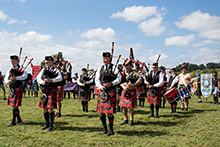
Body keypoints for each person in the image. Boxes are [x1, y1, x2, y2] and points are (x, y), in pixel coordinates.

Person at [95, 52, 121, 136]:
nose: (104, 60)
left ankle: (111, 129)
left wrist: (112, 83)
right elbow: (97, 79)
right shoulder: (100, 68)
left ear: (110, 58)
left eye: (106, 58)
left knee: (109, 112)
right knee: (101, 112)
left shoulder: (115, 68)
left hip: (110, 91)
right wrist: (100, 86)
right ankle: (105, 129)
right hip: (102, 92)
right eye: (103, 58)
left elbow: (119, 78)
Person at [37, 56, 62, 132]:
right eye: (45, 62)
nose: (46, 64)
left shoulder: (56, 70)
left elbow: (60, 78)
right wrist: (42, 82)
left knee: (50, 108)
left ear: (51, 62)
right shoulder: (43, 70)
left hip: (51, 90)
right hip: (45, 90)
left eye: (47, 62)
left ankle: (51, 125)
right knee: (44, 107)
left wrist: (51, 80)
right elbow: (38, 78)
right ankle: (47, 123)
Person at [4, 55, 28, 126]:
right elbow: (6, 77)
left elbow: (24, 76)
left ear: (18, 61)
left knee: (14, 105)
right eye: (11, 61)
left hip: (17, 87)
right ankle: (19, 119)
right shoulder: (10, 69)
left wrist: (16, 78)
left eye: (14, 61)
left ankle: (13, 121)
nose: (13, 62)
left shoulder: (22, 69)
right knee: (14, 105)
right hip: (12, 88)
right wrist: (7, 81)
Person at [119, 59, 142, 126]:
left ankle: (131, 120)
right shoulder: (123, 72)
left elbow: (140, 80)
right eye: (125, 65)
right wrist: (123, 86)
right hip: (125, 90)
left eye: (127, 65)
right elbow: (120, 82)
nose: (126, 66)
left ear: (130, 65)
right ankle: (125, 119)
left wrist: (133, 85)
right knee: (123, 107)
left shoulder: (134, 72)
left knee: (131, 107)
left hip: (132, 90)